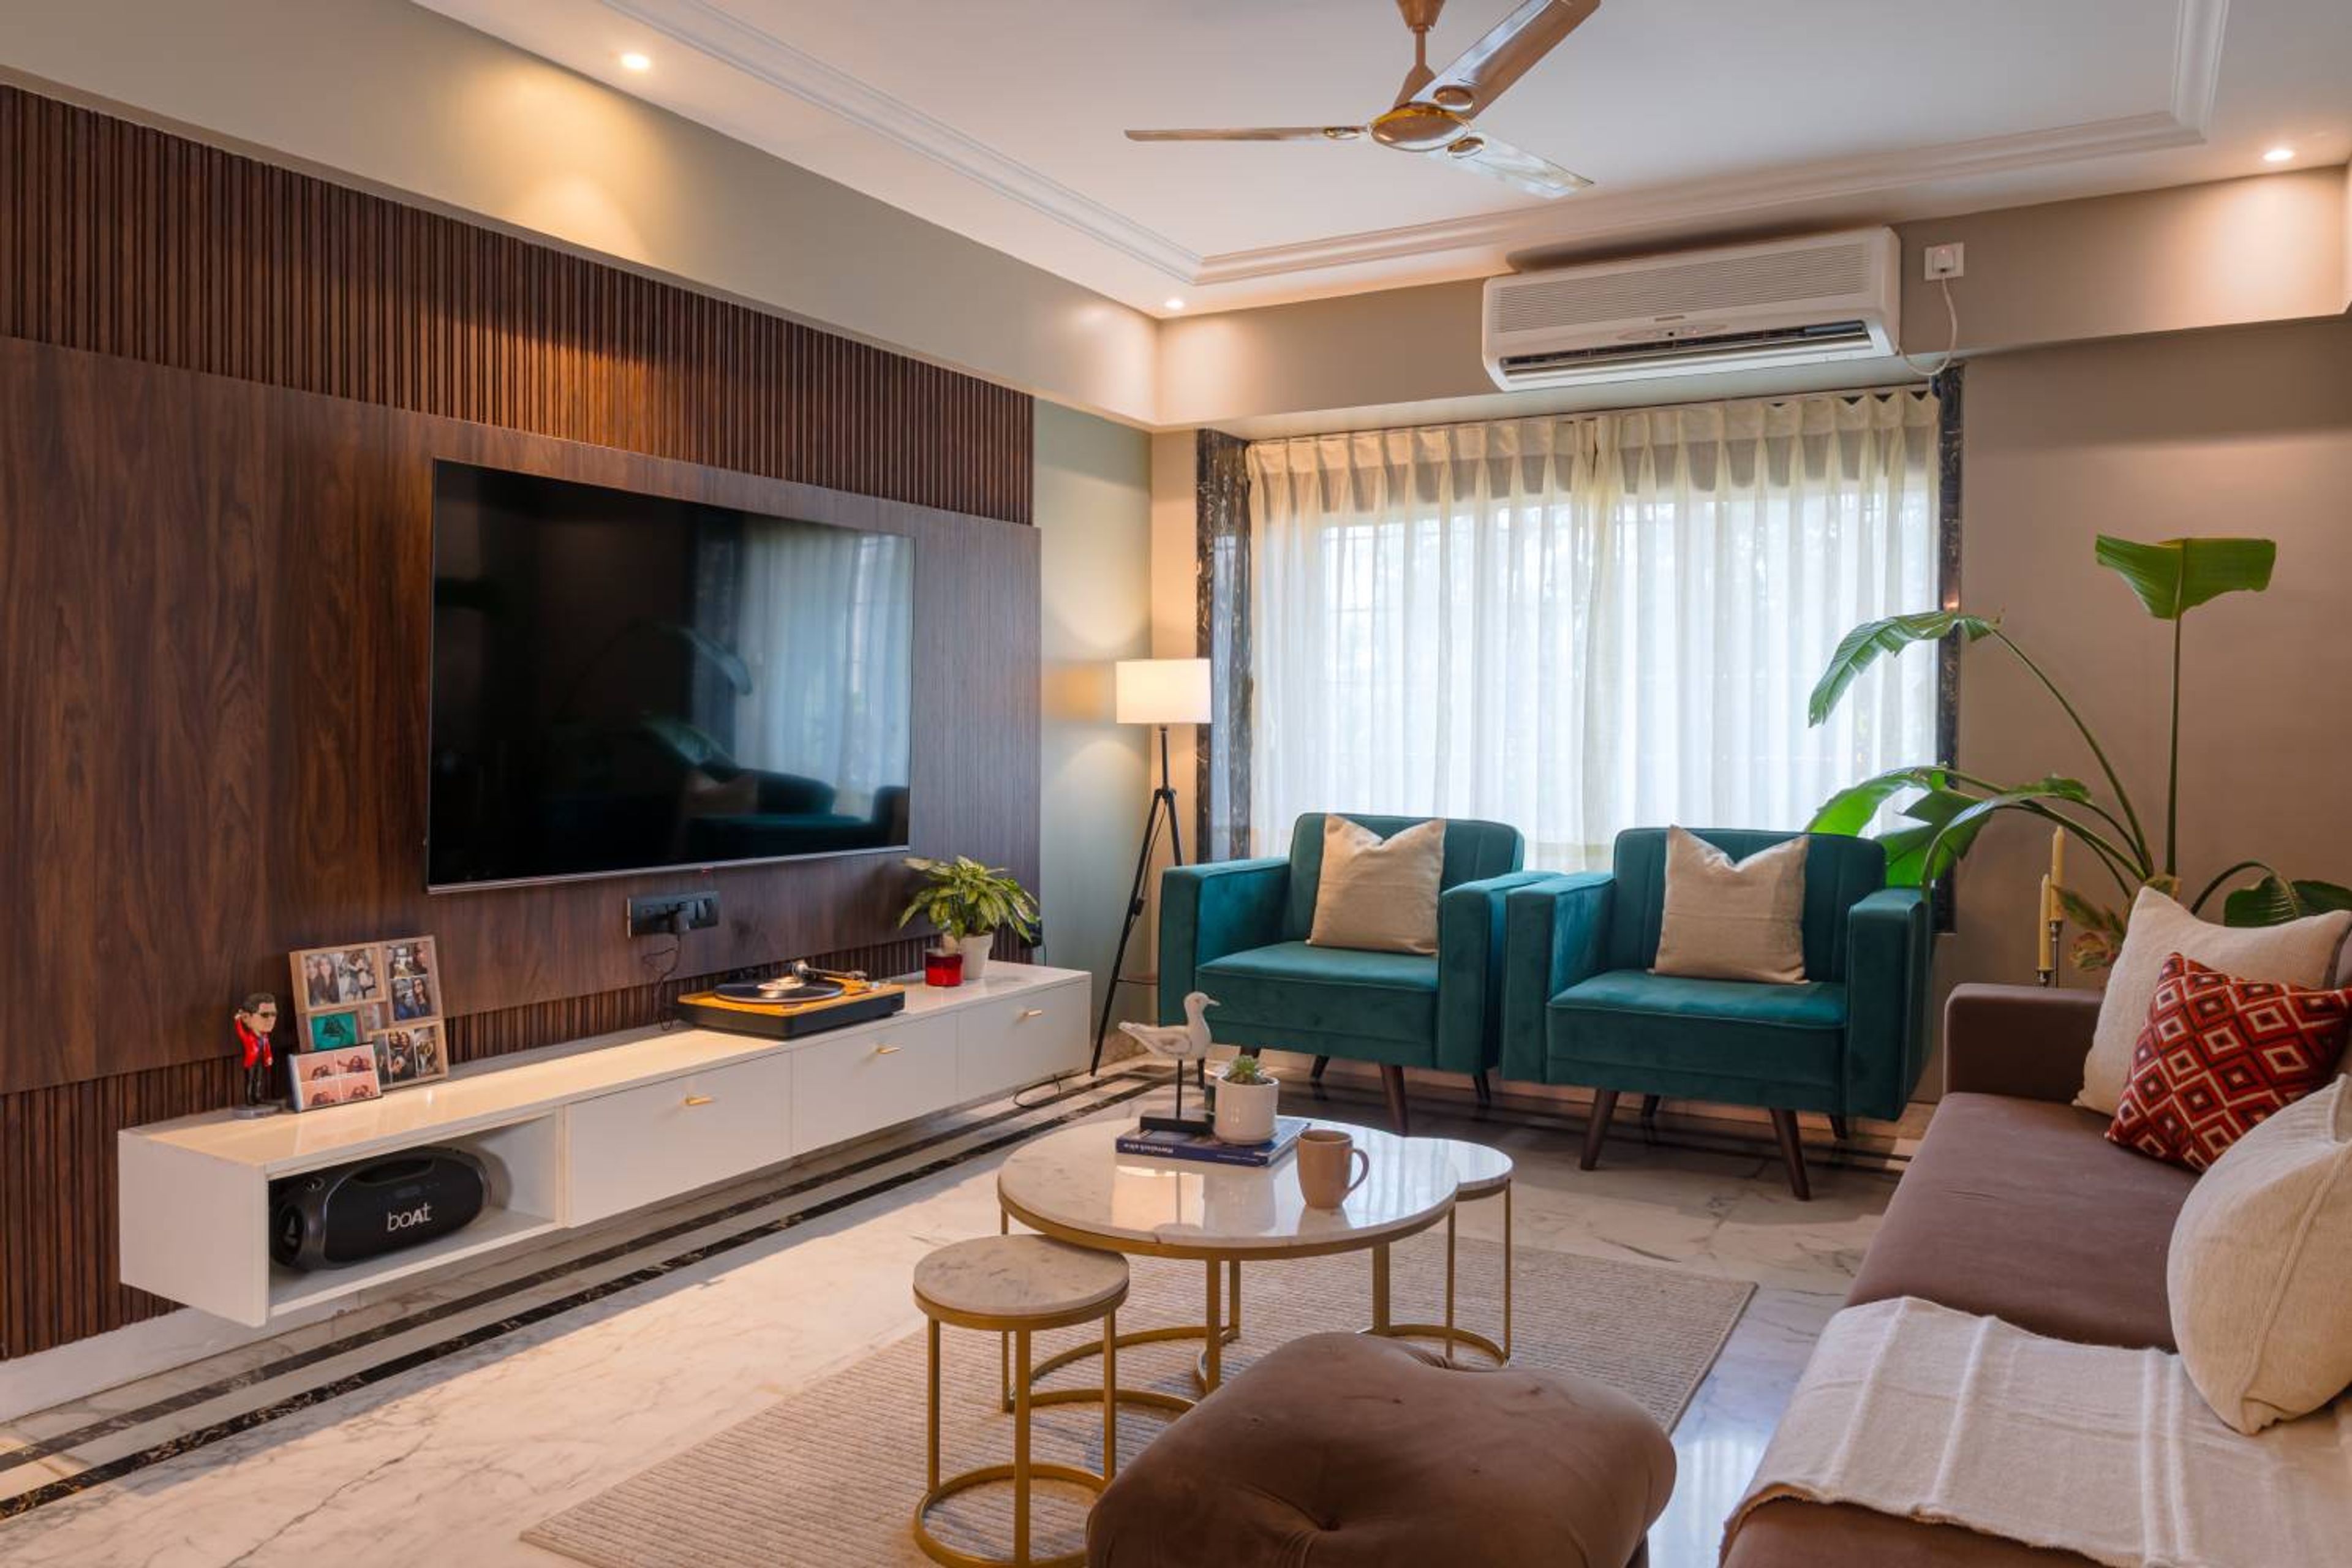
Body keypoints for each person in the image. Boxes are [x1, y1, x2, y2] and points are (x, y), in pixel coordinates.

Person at [233, 994, 281, 1117]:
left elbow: (267, 1048)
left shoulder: (265, 1037)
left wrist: (269, 1057)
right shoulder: (248, 1037)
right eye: (265, 1015)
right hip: (251, 1062)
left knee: (259, 1080)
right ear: (246, 1018)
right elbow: (240, 1031)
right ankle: (249, 1099)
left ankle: (257, 1096)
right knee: (250, 1081)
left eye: (274, 1014)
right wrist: (238, 1020)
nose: (271, 1019)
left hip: (260, 1061)